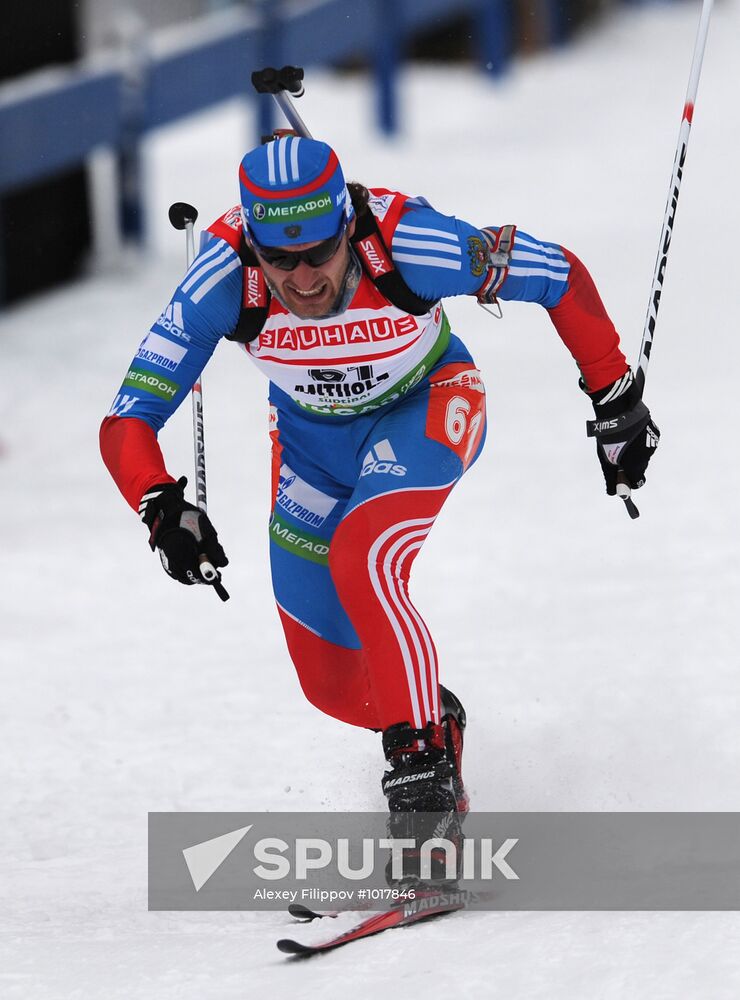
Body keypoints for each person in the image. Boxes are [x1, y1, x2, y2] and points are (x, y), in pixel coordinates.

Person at [100, 135, 659, 859]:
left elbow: (556, 272)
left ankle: (424, 805)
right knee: (332, 685)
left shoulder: (409, 244)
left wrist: (615, 397)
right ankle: (429, 722)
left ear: (345, 226)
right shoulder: (220, 281)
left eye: (318, 254)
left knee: (365, 556)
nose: (303, 279)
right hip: (312, 449)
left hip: (428, 403)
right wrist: (160, 506)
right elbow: (128, 418)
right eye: (281, 261)